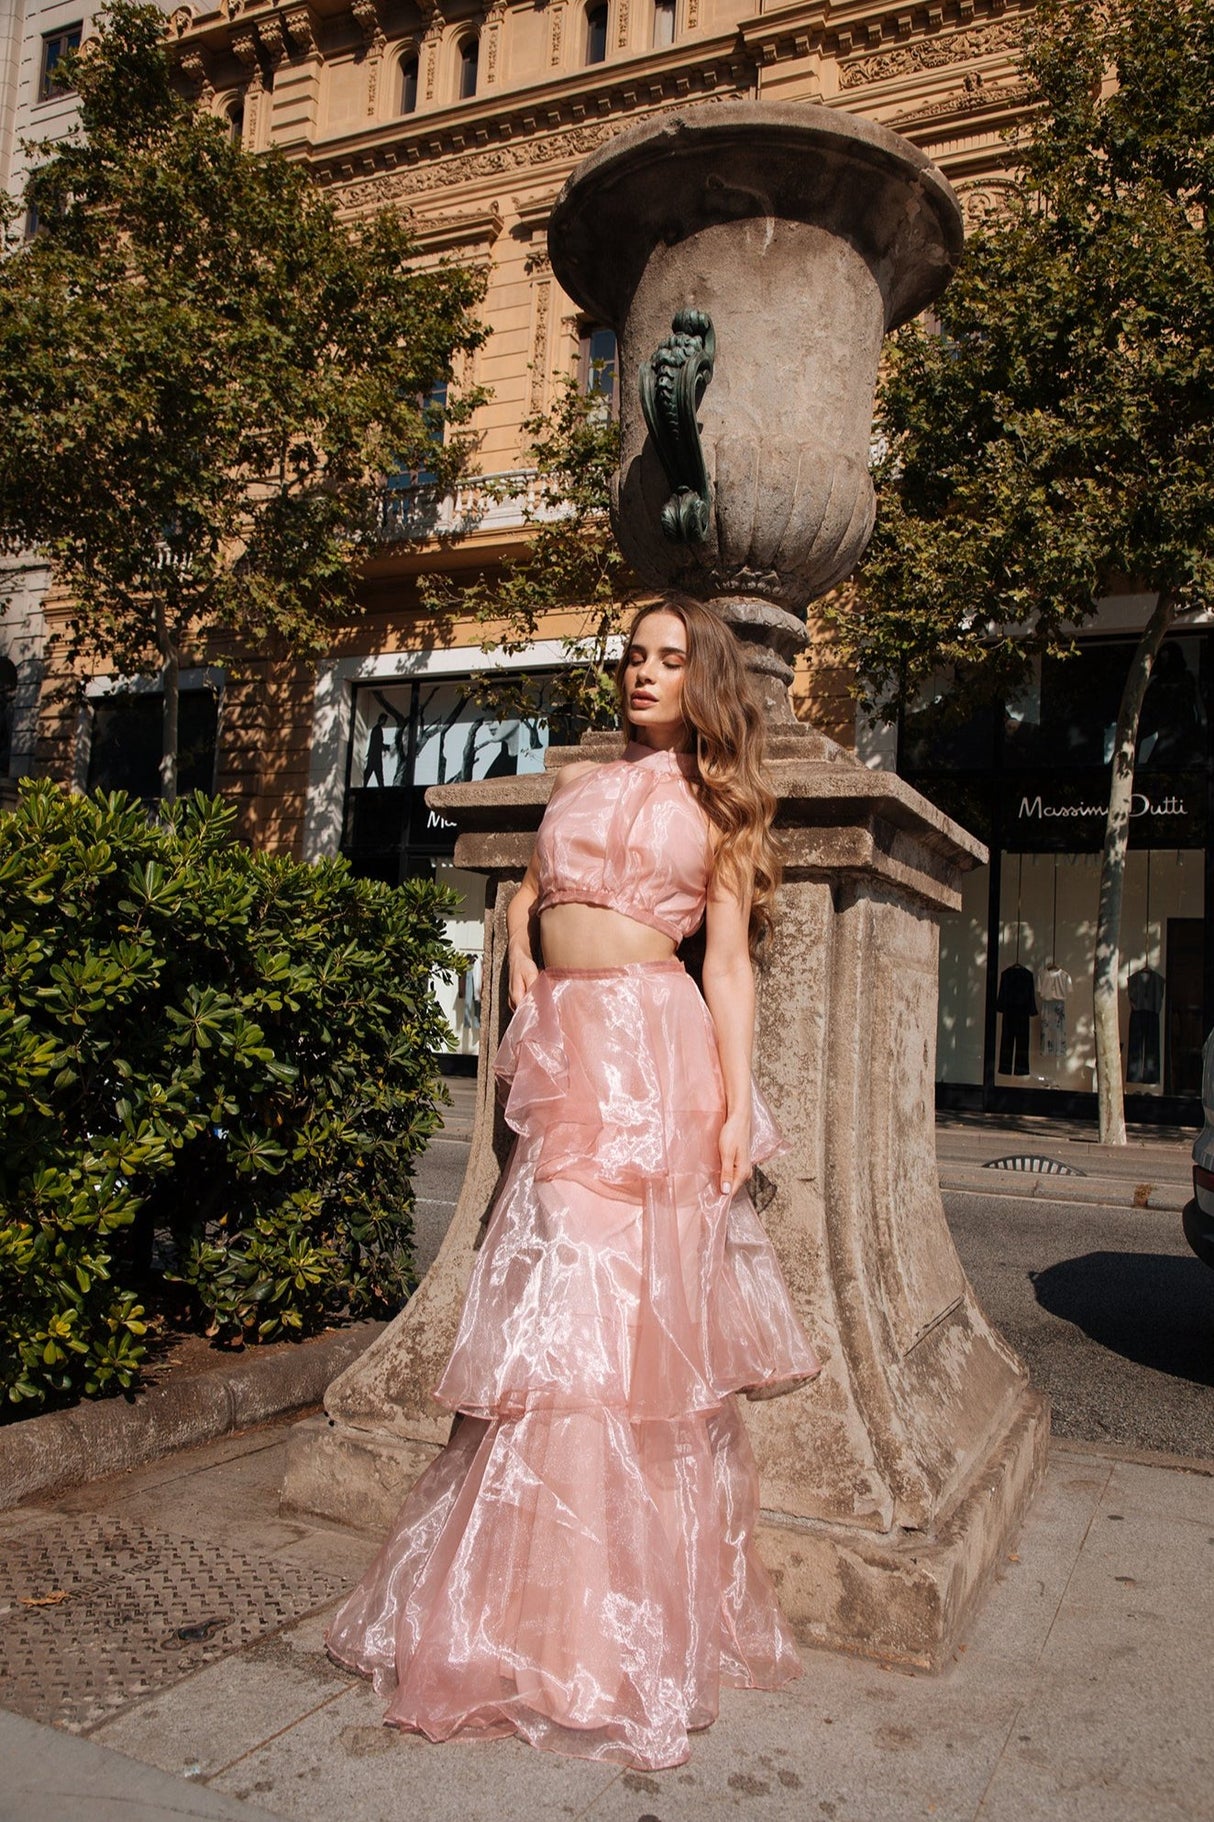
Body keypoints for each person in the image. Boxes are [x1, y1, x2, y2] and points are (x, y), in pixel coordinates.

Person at [325, 599, 820, 1770]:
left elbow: (731, 966)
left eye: (665, 658)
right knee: (550, 1339)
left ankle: (612, 1634)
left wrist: (736, 1106)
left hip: (656, 1063)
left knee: (626, 1348)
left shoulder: (722, 803)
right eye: (632, 657)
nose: (641, 674)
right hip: (569, 1059)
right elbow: (538, 912)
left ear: (703, 678)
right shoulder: (581, 786)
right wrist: (522, 938)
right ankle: (520, 1616)